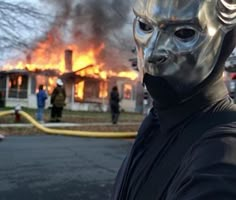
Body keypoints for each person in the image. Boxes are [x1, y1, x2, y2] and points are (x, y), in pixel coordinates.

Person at [111, 0, 236, 199]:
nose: (151, 53)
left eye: (184, 33)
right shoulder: (157, 122)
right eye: (145, 26)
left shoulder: (223, 151)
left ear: (225, 39)